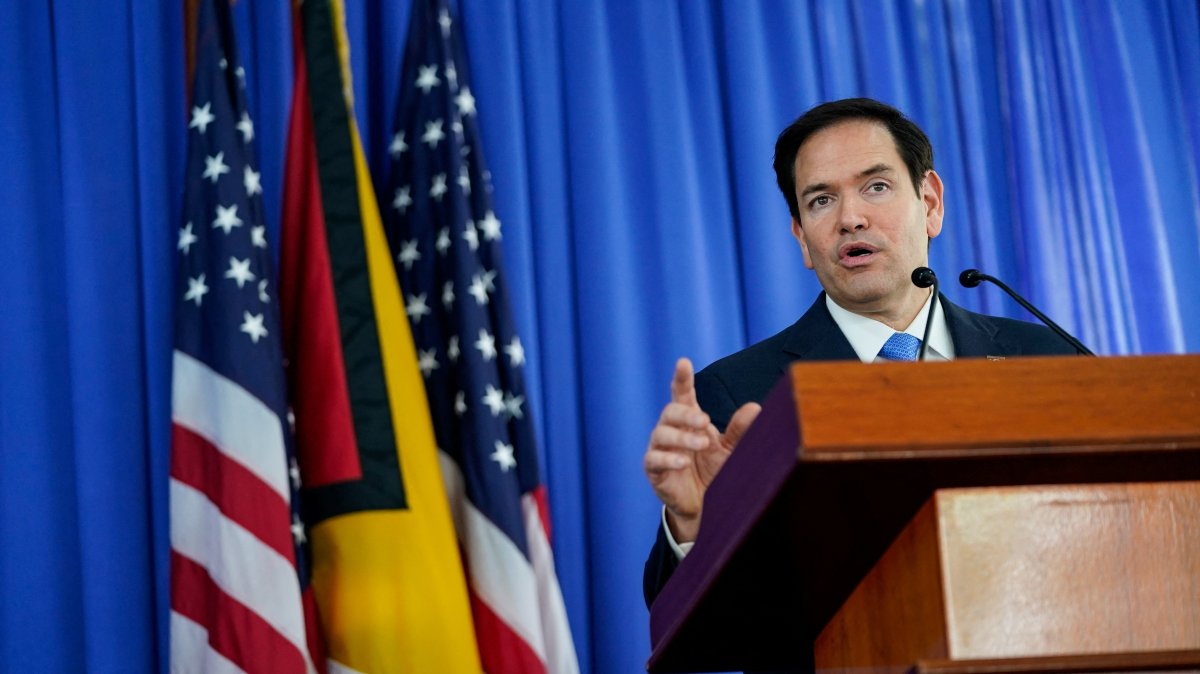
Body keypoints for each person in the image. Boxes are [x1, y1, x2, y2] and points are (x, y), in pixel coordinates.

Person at [642, 98, 1077, 607]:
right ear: (802, 239)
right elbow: (703, 629)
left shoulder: (1046, 358)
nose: (850, 218)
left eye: (876, 187)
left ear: (931, 203)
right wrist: (695, 527)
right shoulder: (740, 395)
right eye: (821, 201)